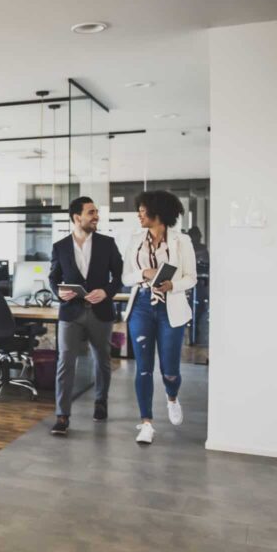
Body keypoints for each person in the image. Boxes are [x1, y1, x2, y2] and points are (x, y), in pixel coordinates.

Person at [123, 191, 197, 445]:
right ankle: (146, 423)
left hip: (170, 307)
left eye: (143, 211)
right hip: (141, 306)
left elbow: (191, 277)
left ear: (158, 213)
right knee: (143, 368)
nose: (139, 215)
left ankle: (172, 397)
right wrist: (143, 272)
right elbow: (126, 277)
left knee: (170, 370)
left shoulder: (181, 241)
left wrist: (172, 285)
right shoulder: (135, 240)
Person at [48, 196, 124, 436]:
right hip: (70, 312)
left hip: (100, 312)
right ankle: (62, 415)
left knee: (102, 360)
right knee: (65, 362)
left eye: (96, 212)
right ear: (76, 217)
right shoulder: (60, 246)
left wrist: (106, 292)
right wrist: (59, 293)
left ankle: (101, 401)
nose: (96, 216)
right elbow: (53, 278)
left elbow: (119, 277)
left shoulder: (107, 244)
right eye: (91, 212)